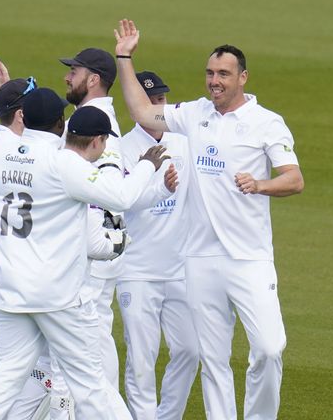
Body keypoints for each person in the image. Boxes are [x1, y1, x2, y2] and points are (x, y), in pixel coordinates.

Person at [115, 19, 305, 420]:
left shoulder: (266, 121)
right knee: (213, 360)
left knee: (270, 349)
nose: (214, 81)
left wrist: (260, 184)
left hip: (249, 258)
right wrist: (124, 57)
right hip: (200, 259)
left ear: (243, 77)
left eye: (223, 74)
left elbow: (294, 179)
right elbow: (144, 113)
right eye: (209, 73)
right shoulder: (195, 113)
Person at [0, 86, 175, 420]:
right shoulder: (60, 162)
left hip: (8, 290)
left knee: (4, 381)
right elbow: (119, 196)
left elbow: (1, 132)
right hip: (54, 295)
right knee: (91, 384)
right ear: (60, 122)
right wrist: (148, 166)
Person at [117, 70, 199, 419]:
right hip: (136, 270)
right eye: (149, 100)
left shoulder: (184, 141)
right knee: (141, 362)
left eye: (161, 100)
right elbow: (119, 203)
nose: (156, 106)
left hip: (181, 269)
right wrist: (156, 186)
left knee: (190, 351)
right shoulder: (121, 148)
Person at [59, 47, 124, 389]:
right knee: (91, 337)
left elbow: (111, 190)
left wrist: (100, 241)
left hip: (94, 250)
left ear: (94, 79)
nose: (68, 77)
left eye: (74, 71)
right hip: (91, 246)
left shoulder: (99, 124)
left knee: (94, 337)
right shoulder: (88, 116)